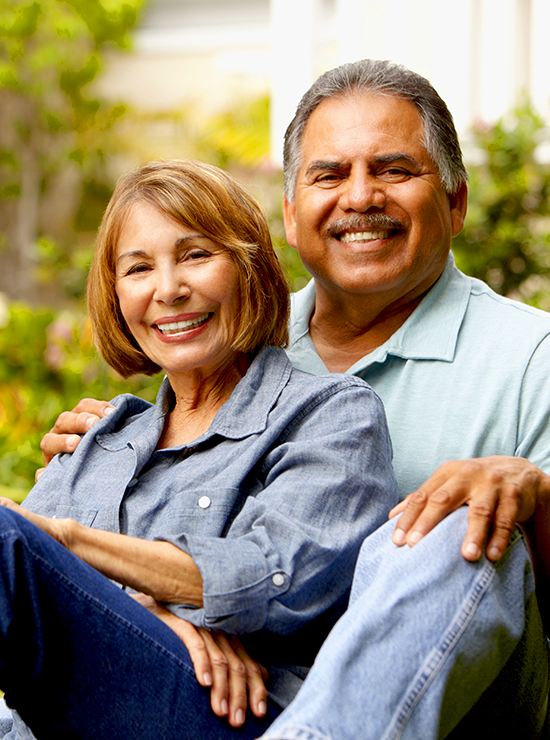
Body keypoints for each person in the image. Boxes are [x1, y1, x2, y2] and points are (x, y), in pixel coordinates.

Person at [40, 60, 550, 737]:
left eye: (395, 170)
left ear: (456, 202)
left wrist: (536, 496)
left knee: (458, 518)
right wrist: (101, 477)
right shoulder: (225, 347)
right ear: (289, 213)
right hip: (230, 700)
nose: (360, 197)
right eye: (329, 175)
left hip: (465, 707)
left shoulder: (531, 353)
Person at [0, 159, 399, 739]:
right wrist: (153, 612)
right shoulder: (97, 440)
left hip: (221, 712)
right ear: (116, 297)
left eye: (195, 255)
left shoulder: (330, 414)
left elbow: (277, 577)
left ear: (248, 267)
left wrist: (65, 541)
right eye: (138, 268)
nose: (168, 290)